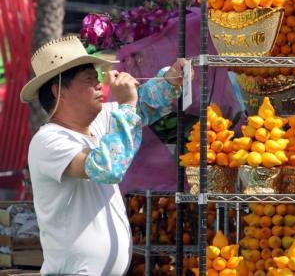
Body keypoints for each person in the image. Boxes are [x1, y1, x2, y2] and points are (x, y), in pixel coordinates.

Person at [20, 35, 188, 275]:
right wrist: (127, 106)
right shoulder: (48, 141)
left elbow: (144, 106)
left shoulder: (97, 122)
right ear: (59, 92)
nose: (99, 85)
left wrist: (171, 79)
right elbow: (107, 168)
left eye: (97, 78)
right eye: (89, 79)